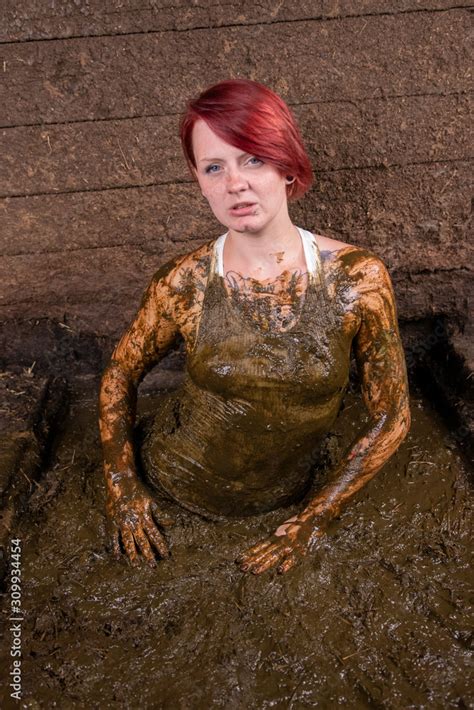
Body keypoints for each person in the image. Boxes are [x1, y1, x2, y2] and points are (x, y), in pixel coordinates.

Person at [98, 78, 411, 575]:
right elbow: (119, 374)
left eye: (253, 159)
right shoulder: (185, 283)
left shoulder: (358, 280)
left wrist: (313, 520)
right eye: (214, 167)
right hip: (169, 493)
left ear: (286, 165)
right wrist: (122, 488)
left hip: (289, 504)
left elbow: (391, 416)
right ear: (198, 179)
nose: (235, 184)